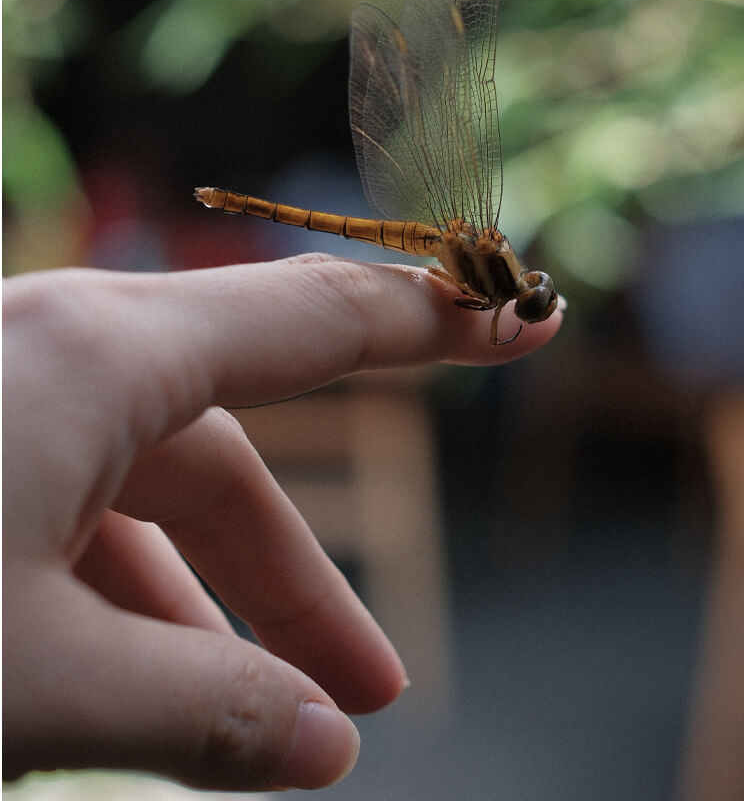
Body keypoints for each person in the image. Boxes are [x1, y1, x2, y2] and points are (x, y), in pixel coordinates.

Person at [3, 254, 563, 790]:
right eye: (533, 295)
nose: (531, 296)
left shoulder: (493, 289)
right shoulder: (494, 292)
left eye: (532, 295)